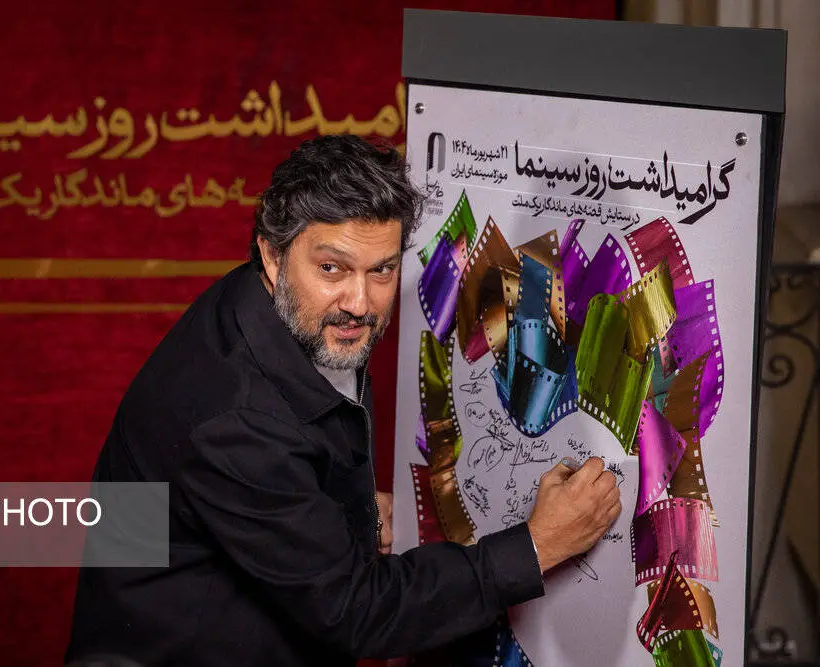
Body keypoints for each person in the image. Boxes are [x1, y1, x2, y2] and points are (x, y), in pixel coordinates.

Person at [65, 135, 622, 667]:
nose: (360, 303)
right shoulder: (237, 419)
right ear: (273, 256)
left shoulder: (282, 312)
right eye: (332, 268)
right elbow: (360, 611)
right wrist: (537, 545)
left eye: (382, 270)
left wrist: (344, 511)